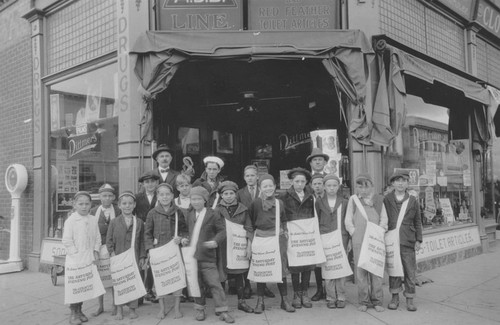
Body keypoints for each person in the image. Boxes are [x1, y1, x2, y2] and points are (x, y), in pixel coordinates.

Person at [181, 186, 235, 323]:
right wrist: (183, 238)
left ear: (205, 200)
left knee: (215, 284)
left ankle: (222, 310)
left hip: (208, 257)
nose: (196, 202)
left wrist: (216, 241)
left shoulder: (213, 214)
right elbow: (184, 231)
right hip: (193, 256)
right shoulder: (189, 214)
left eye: (199, 199)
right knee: (196, 284)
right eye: (193, 199)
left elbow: (222, 231)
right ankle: (199, 309)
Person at [249, 174, 295, 314]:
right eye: (265, 186)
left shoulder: (279, 203)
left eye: (270, 185)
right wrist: (249, 241)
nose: (268, 188)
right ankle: (260, 301)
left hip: (277, 239)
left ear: (275, 187)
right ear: (260, 188)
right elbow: (250, 222)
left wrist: (284, 231)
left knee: (280, 269)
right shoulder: (255, 203)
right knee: (262, 270)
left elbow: (284, 219)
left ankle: (284, 300)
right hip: (261, 239)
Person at [345, 173, 388, 312]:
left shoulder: (379, 200)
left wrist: (380, 232)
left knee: (375, 270)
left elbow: (384, 218)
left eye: (366, 186)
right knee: (361, 271)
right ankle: (363, 300)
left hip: (375, 240)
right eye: (359, 186)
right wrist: (353, 232)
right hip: (359, 238)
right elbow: (348, 219)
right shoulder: (353, 200)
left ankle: (377, 301)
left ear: (372, 186)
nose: (363, 190)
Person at [144, 183, 188, 319]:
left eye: (167, 194)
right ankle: (162, 309)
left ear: (172, 196)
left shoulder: (177, 211)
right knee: (160, 279)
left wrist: (180, 238)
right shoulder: (152, 213)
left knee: (176, 278)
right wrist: (150, 250)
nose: (165, 197)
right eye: (161, 194)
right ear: (157, 196)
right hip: (158, 250)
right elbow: (147, 233)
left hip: (174, 249)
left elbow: (184, 229)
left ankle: (176, 308)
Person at [384, 172, 423, 312]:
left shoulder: (412, 200)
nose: (400, 183)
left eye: (403, 181)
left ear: (407, 184)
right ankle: (394, 298)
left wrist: (419, 239)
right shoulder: (386, 199)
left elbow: (418, 221)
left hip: (408, 240)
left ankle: (410, 299)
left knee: (409, 271)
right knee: (394, 269)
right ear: (393, 183)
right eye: (397, 181)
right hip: (392, 240)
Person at [62, 191, 101, 325]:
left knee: (84, 286)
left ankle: (80, 310)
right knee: (75, 287)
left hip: (88, 258)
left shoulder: (93, 219)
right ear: (74, 205)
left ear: (91, 204)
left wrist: (96, 250)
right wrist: (76, 254)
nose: (84, 207)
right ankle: (73, 312)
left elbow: (97, 237)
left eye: (87, 204)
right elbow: (67, 241)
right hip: (75, 259)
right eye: (81, 204)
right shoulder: (71, 221)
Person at [106, 191, 147, 320]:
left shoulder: (139, 222)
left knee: (132, 282)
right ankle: (119, 309)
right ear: (119, 205)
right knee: (119, 283)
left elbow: (141, 242)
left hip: (133, 257)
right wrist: (112, 253)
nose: (127, 206)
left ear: (134, 205)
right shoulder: (114, 222)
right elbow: (109, 240)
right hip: (118, 256)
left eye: (130, 203)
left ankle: (132, 309)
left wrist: (142, 257)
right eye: (124, 203)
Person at [279, 167, 315, 309]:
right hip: (293, 233)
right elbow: (282, 214)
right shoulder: (284, 196)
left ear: (306, 182)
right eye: (297, 181)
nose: (299, 184)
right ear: (292, 182)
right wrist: (284, 228)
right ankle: (296, 293)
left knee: (307, 263)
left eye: (302, 181)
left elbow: (314, 213)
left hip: (307, 234)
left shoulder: (311, 195)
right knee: (295, 264)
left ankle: (304, 292)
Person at [216, 181, 254, 313]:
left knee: (239, 275)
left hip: (238, 247)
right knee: (221, 275)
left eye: (231, 193)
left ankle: (241, 302)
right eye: (225, 193)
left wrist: (249, 246)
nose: (229, 196)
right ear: (221, 195)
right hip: (222, 248)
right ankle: (221, 305)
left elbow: (249, 228)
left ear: (236, 194)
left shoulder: (243, 209)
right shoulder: (216, 210)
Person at [315, 175, 349, 308]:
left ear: (338, 187)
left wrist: (349, 240)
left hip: (341, 237)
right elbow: (317, 221)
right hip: (325, 238)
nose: (331, 188)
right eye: (328, 185)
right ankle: (330, 297)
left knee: (340, 268)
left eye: (334, 185)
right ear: (324, 187)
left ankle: (341, 296)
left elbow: (347, 222)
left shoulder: (344, 202)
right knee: (328, 267)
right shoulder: (319, 202)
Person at [235, 165, 267, 299]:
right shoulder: (240, 193)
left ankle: (263, 287)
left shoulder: (264, 191)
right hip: (245, 228)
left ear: (257, 177)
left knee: (262, 257)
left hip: (261, 228)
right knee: (246, 258)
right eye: (247, 176)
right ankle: (247, 285)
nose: (250, 178)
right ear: (244, 177)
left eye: (252, 175)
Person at [90, 184, 120, 316]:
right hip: (98, 248)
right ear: (99, 197)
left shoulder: (118, 210)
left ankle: (115, 304)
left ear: (113, 197)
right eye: (104, 196)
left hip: (113, 248)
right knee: (100, 277)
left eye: (109, 196)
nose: (107, 198)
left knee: (114, 277)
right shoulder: (93, 211)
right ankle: (100, 306)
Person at [134, 170, 160, 302]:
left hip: (156, 232)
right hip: (141, 232)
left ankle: (150, 289)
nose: (150, 184)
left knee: (153, 261)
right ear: (143, 184)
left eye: (152, 182)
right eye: (147, 182)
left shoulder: (161, 196)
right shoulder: (137, 198)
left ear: (157, 183)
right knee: (142, 260)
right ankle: (140, 290)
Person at [310, 173, 326, 302]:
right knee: (317, 264)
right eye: (315, 184)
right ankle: (320, 289)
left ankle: (330, 289)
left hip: (327, 232)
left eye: (320, 183)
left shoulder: (330, 198)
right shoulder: (309, 199)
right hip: (314, 233)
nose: (317, 186)